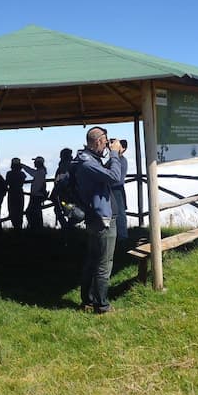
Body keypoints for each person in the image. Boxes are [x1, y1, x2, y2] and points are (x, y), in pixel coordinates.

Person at [76, 126, 123, 314]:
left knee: (93, 259)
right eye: (105, 141)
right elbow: (115, 176)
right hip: (103, 220)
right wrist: (114, 154)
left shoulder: (87, 160)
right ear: (98, 142)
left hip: (95, 217)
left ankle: (87, 300)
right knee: (104, 263)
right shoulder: (88, 163)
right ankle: (102, 306)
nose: (107, 144)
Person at [22, 156, 48, 230]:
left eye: (35, 162)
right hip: (38, 195)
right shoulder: (41, 171)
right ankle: (37, 227)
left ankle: (35, 227)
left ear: (38, 163)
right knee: (36, 212)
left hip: (36, 195)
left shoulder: (39, 172)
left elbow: (31, 172)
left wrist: (23, 166)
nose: (34, 163)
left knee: (30, 212)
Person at [109, 139, 128, 240]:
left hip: (117, 190)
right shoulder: (116, 159)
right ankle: (119, 235)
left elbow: (118, 179)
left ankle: (122, 236)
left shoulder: (121, 161)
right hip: (115, 190)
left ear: (123, 148)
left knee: (120, 213)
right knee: (116, 213)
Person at [53, 148, 73, 229]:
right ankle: (69, 227)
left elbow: (60, 180)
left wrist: (55, 192)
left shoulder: (63, 167)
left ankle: (67, 228)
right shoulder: (71, 165)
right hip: (68, 194)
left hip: (63, 194)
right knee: (68, 210)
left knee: (61, 210)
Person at [5, 158, 26, 230]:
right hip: (20, 193)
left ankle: (15, 227)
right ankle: (19, 227)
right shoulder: (22, 174)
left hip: (12, 193)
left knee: (12, 210)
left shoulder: (9, 173)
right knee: (19, 211)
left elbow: (6, 183)